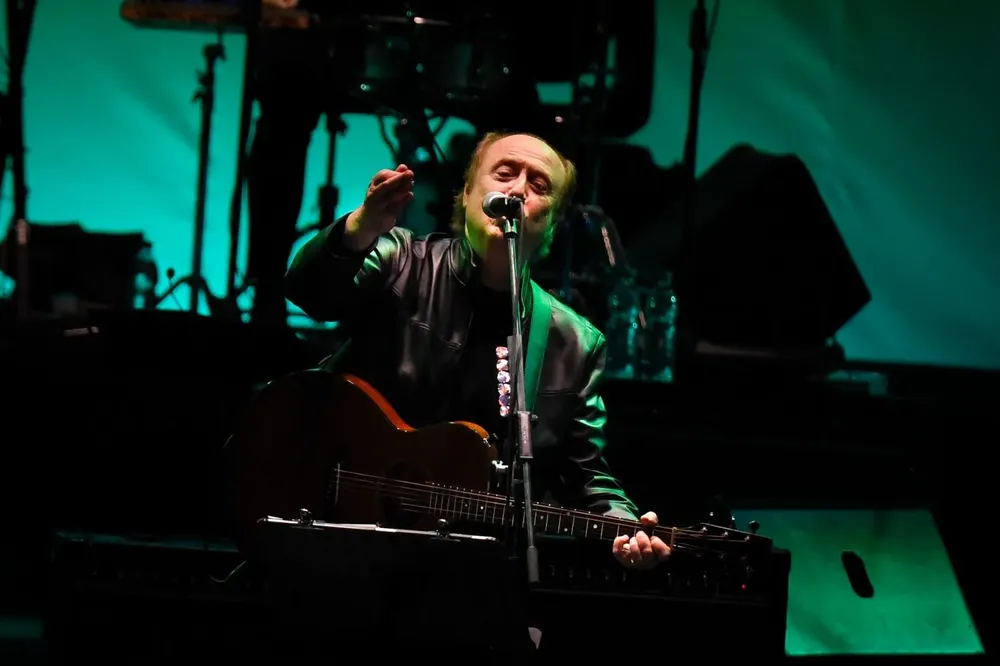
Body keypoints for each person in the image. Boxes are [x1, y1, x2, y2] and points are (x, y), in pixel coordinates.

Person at [285, 131, 670, 570]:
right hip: (334, 538)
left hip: (462, 571)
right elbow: (307, 292)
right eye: (504, 173)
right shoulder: (401, 261)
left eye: (539, 186)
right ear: (467, 194)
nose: (518, 190)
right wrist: (359, 228)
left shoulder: (574, 343)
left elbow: (584, 472)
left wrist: (625, 527)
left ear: (551, 220)